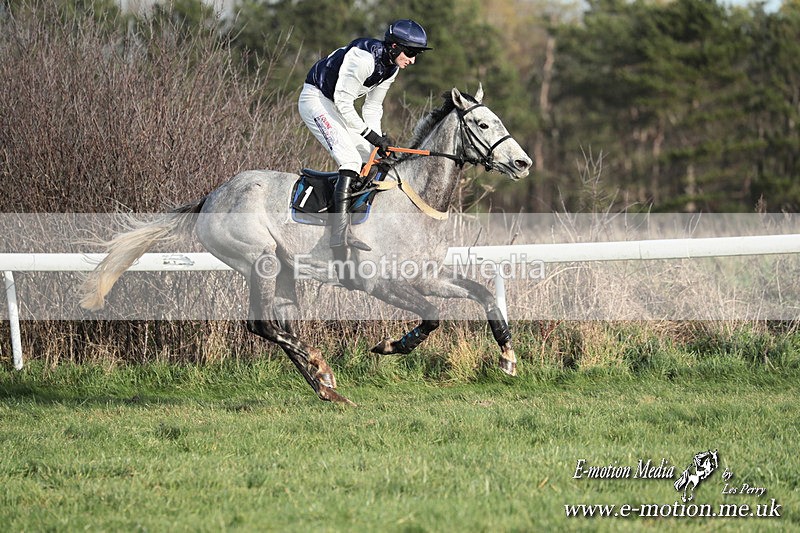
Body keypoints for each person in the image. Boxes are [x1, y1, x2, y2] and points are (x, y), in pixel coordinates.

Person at [298, 19, 432, 253]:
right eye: (410, 52)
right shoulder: (363, 59)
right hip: (316, 100)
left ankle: (355, 222)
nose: (412, 60)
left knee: (368, 157)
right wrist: (372, 136)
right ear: (393, 46)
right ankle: (338, 236)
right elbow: (343, 102)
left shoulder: (391, 68)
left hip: (336, 106)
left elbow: (372, 109)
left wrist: (377, 141)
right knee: (349, 160)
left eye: (416, 54)